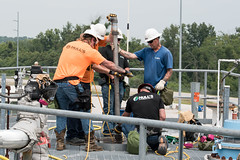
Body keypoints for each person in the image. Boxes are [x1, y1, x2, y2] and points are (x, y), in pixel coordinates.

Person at [53, 28, 132, 151]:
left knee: (61, 112)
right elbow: (108, 63)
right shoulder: (89, 51)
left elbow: (96, 65)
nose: (96, 45)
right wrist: (123, 72)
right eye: (96, 42)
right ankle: (90, 143)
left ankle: (60, 143)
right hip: (73, 83)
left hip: (57, 84)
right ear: (93, 40)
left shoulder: (69, 45)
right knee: (85, 111)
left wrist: (110, 72)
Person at [66, 23, 114, 144]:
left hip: (86, 80)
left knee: (84, 107)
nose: (97, 42)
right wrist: (110, 71)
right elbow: (94, 65)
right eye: (96, 40)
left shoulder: (96, 41)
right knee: (75, 108)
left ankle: (82, 134)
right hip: (77, 80)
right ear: (92, 38)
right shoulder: (81, 45)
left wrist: (114, 23)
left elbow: (110, 38)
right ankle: (72, 135)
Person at [115, 83, 168, 155]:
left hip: (138, 135)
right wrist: (159, 129)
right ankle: (158, 142)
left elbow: (125, 116)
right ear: (151, 91)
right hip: (153, 135)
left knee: (126, 122)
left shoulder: (132, 98)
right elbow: (163, 117)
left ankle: (137, 143)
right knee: (155, 142)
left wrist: (118, 126)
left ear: (140, 90)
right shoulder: (157, 97)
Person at [98, 29, 130, 134]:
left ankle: (116, 128)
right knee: (109, 106)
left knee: (117, 106)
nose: (118, 42)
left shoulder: (121, 53)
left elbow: (127, 67)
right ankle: (108, 129)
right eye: (117, 39)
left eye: (119, 40)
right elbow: (101, 65)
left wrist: (126, 76)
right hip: (108, 83)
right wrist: (110, 74)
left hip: (120, 83)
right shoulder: (104, 50)